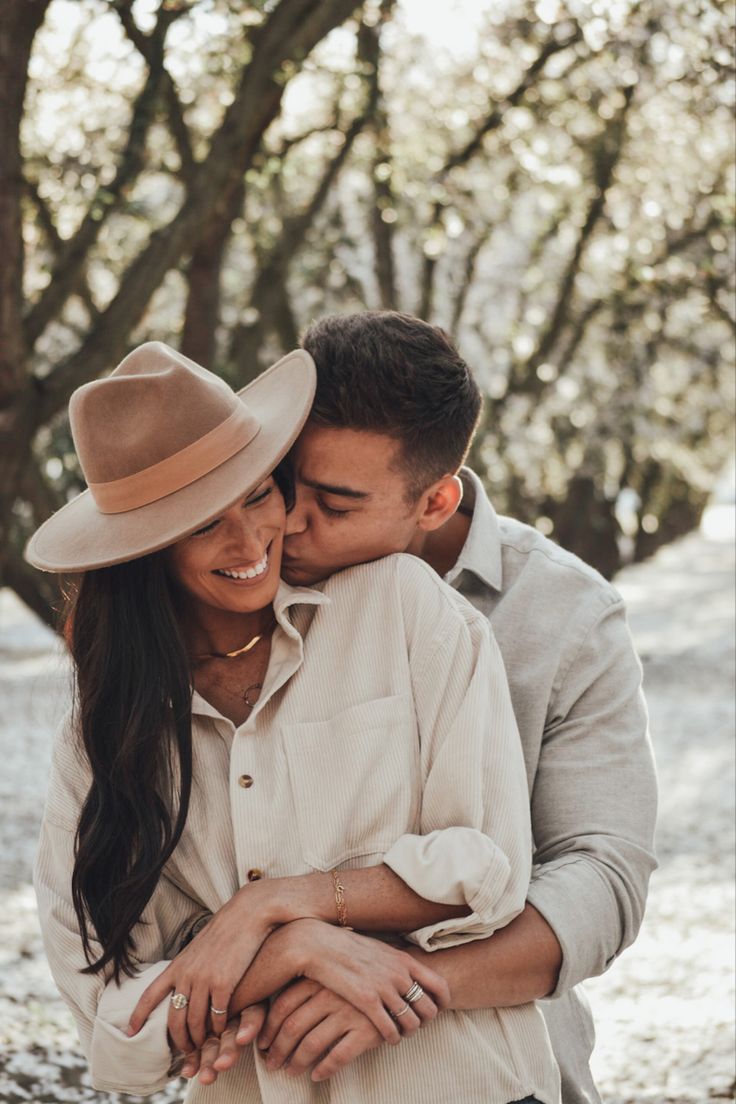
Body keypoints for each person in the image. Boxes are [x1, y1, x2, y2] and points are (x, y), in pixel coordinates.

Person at [27, 341, 559, 1104]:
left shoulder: (403, 608)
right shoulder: (105, 733)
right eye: (204, 523)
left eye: (257, 493)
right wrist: (288, 952)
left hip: (464, 1083)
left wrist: (274, 905)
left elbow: (487, 869)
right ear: (141, 551)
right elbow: (113, 1023)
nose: (250, 542)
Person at [225, 311, 655, 1104]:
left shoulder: (562, 615)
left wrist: (400, 989)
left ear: (434, 502)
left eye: (336, 502)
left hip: (495, 1069)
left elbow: (603, 877)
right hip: (273, 1071)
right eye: (286, 482)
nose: (287, 520)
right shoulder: (242, 580)